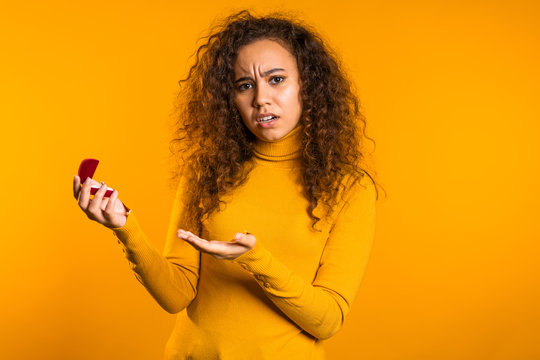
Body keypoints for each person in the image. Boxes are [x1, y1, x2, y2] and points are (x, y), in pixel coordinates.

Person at [72, 10, 380, 360]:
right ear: (230, 98)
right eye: (245, 85)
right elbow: (177, 295)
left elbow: (327, 321)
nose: (260, 98)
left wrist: (255, 259)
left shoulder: (349, 188)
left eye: (276, 79)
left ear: (307, 85)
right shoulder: (208, 171)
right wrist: (125, 227)